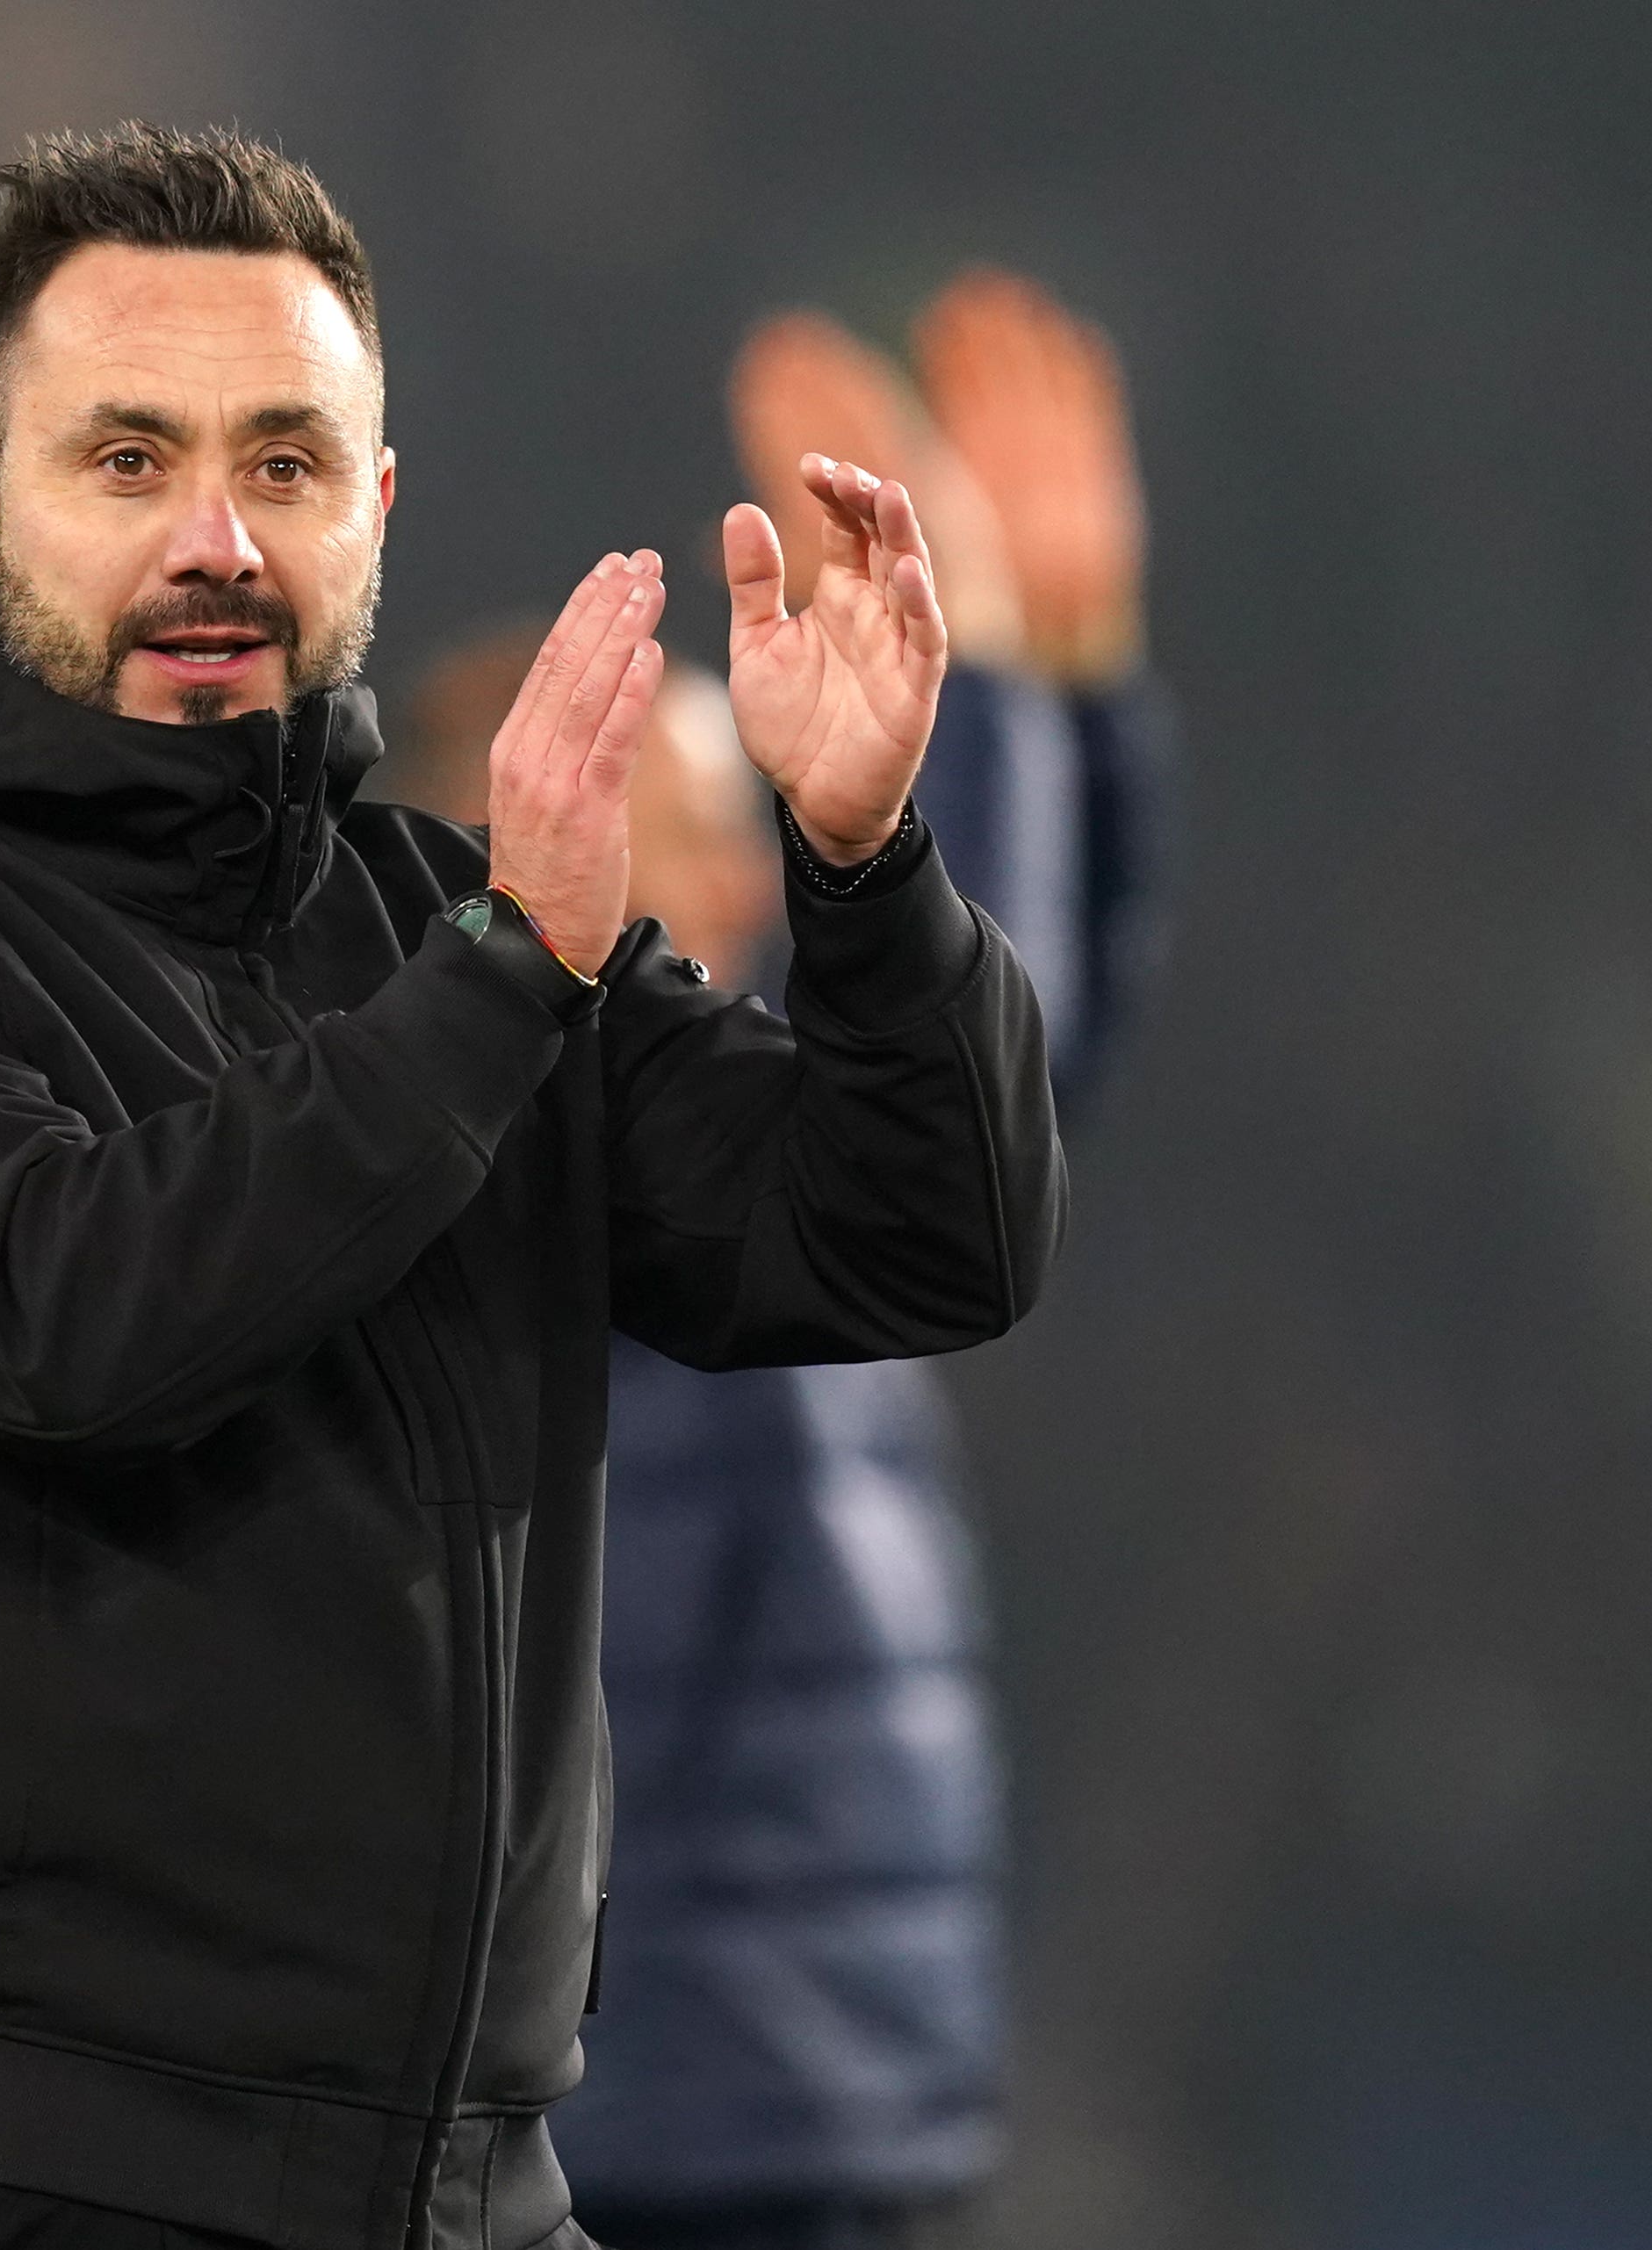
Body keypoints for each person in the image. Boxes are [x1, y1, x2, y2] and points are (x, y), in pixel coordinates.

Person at [0, 124, 1067, 2250]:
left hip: (475, 2199)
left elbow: (916, 1233)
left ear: (373, 507)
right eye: (127, 459)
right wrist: (503, 976)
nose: (214, 538)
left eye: (285, 466)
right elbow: (69, 1318)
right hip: (6, 2195)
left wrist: (862, 868)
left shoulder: (450, 931)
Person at [382, 279, 1169, 2250]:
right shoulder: (507, 1142)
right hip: (662, 2089)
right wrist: (975, 698)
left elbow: (997, 1110)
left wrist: (1060, 694)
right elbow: (937, 1122)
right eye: (695, 816)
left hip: (758, 2065)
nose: (751, 879)